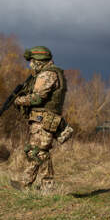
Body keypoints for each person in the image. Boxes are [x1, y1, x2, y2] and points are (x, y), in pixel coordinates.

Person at [11, 46, 73, 191]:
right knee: (38, 152)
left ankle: (31, 184)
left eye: (32, 61)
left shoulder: (47, 75)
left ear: (39, 61)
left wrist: (19, 100)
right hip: (41, 119)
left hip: (44, 120)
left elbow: (38, 98)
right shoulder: (48, 73)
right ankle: (40, 185)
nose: (30, 64)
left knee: (37, 152)